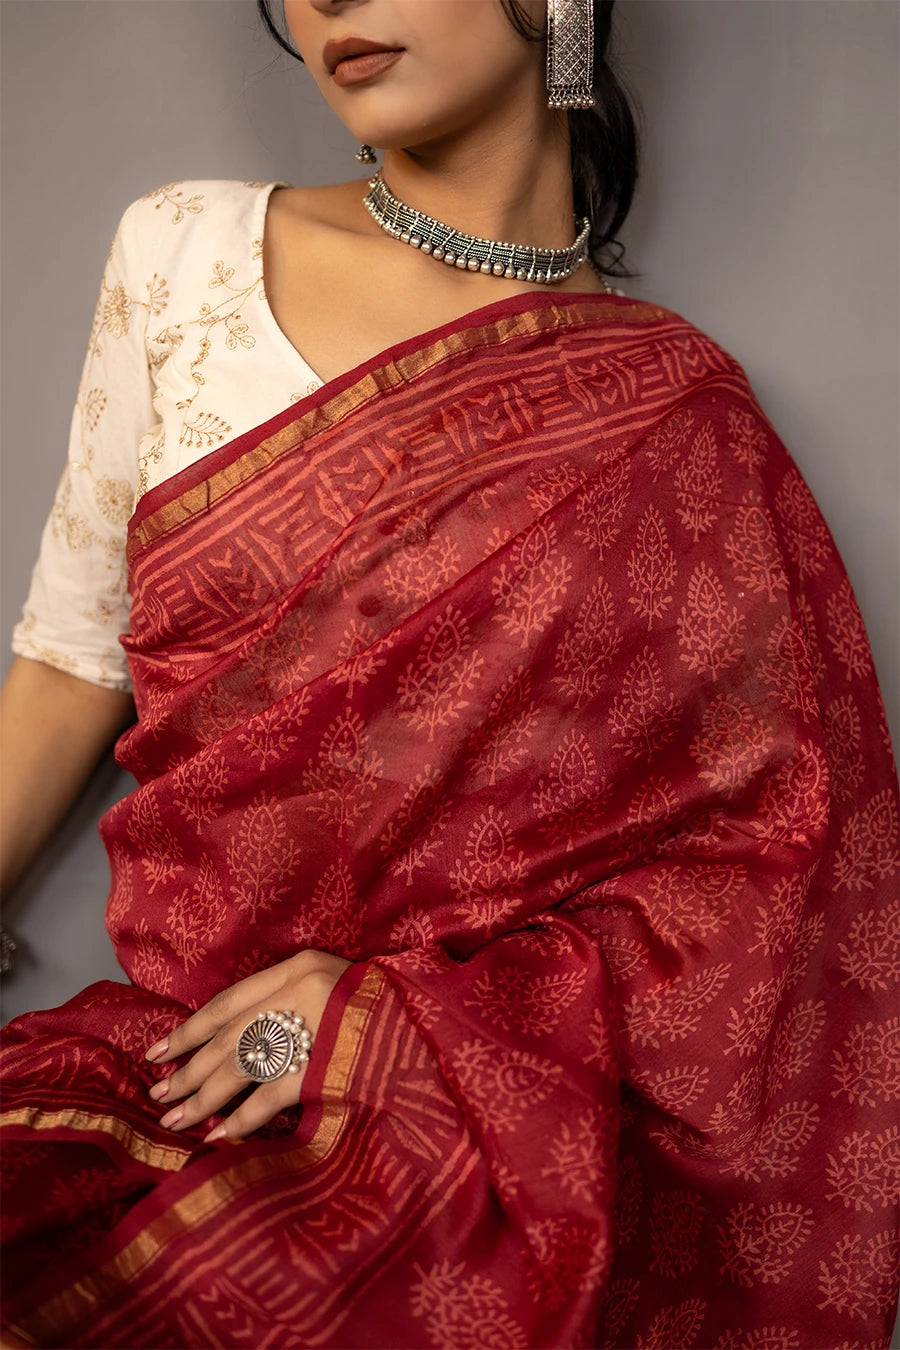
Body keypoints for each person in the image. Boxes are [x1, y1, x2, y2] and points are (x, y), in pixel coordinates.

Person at [1, 0, 898, 1346]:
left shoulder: (682, 424)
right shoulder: (185, 253)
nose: (328, 1)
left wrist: (387, 1020)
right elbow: (73, 662)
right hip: (173, 1084)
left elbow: (772, 893)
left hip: (478, 1164)